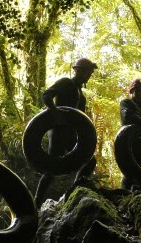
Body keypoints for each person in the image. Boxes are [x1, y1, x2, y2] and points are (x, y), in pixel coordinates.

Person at [34, 57, 99, 206]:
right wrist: (55, 111)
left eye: (90, 73)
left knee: (89, 161)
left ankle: (74, 192)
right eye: (87, 72)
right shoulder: (65, 83)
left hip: (71, 133)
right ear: (78, 71)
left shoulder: (81, 94)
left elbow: (80, 118)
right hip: (58, 131)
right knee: (52, 167)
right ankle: (36, 202)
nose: (89, 75)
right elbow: (46, 95)